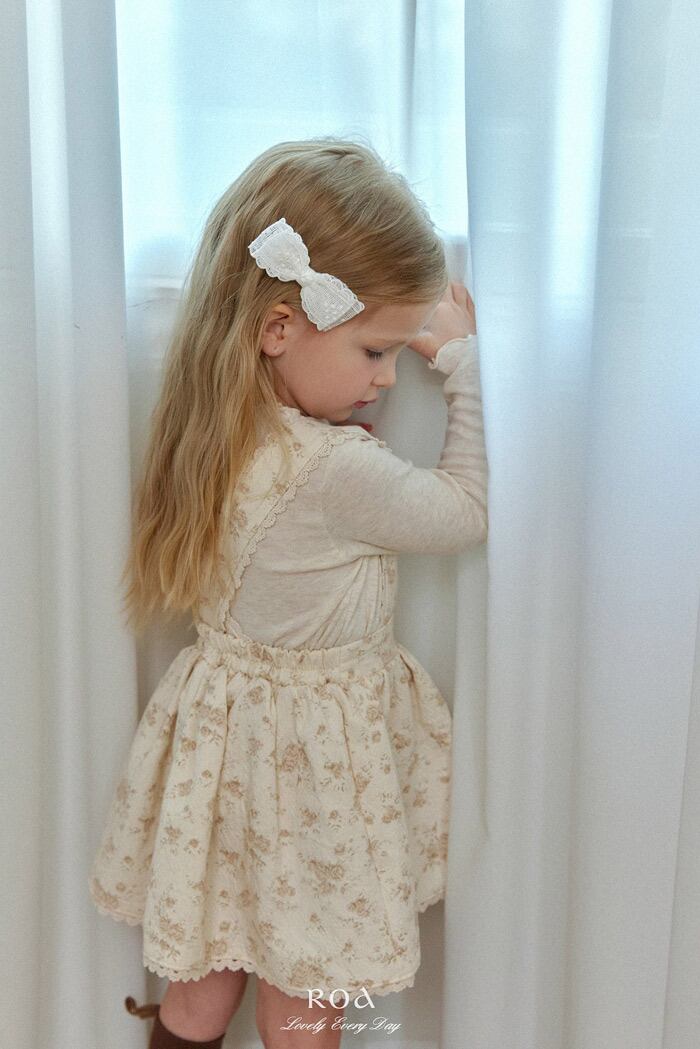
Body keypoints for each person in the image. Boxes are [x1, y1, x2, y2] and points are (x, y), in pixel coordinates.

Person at [87, 137, 488, 1049]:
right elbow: (463, 511)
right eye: (376, 350)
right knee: (306, 998)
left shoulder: (214, 427)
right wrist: (463, 368)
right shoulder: (337, 468)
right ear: (279, 327)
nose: (388, 377)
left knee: (200, 979)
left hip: (221, 746)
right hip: (314, 772)